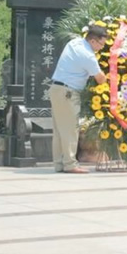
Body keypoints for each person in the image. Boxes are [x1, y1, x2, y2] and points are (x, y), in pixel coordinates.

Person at [49, 25, 107, 174]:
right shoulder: (87, 55)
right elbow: (100, 79)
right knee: (70, 129)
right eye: (101, 44)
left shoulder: (74, 42)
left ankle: (59, 163)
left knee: (59, 130)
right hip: (68, 92)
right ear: (93, 41)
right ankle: (70, 164)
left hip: (56, 89)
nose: (101, 48)